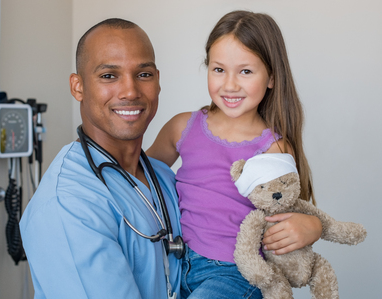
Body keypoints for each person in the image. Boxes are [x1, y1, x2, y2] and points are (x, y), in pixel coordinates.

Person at [146, 11, 322, 299]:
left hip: (236, 275)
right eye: (218, 70)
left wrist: (313, 226)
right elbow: (137, 177)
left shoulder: (273, 148)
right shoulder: (183, 128)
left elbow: (291, 212)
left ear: (271, 78)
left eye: (245, 71)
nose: (229, 85)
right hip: (174, 264)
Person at [20, 19, 183, 298]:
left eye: (143, 74)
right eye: (109, 75)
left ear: (157, 81)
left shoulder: (163, 178)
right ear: (78, 86)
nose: (130, 91)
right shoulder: (69, 203)